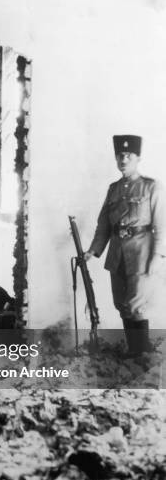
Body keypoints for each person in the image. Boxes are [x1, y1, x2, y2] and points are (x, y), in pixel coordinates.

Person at [84, 135, 165, 356]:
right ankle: (134, 351)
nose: (124, 158)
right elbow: (104, 225)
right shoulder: (113, 189)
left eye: (129, 155)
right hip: (117, 254)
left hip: (141, 254)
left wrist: (158, 257)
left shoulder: (151, 187)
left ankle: (142, 354)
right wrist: (93, 250)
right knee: (121, 304)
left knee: (137, 306)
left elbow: (161, 226)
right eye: (120, 155)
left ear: (138, 158)